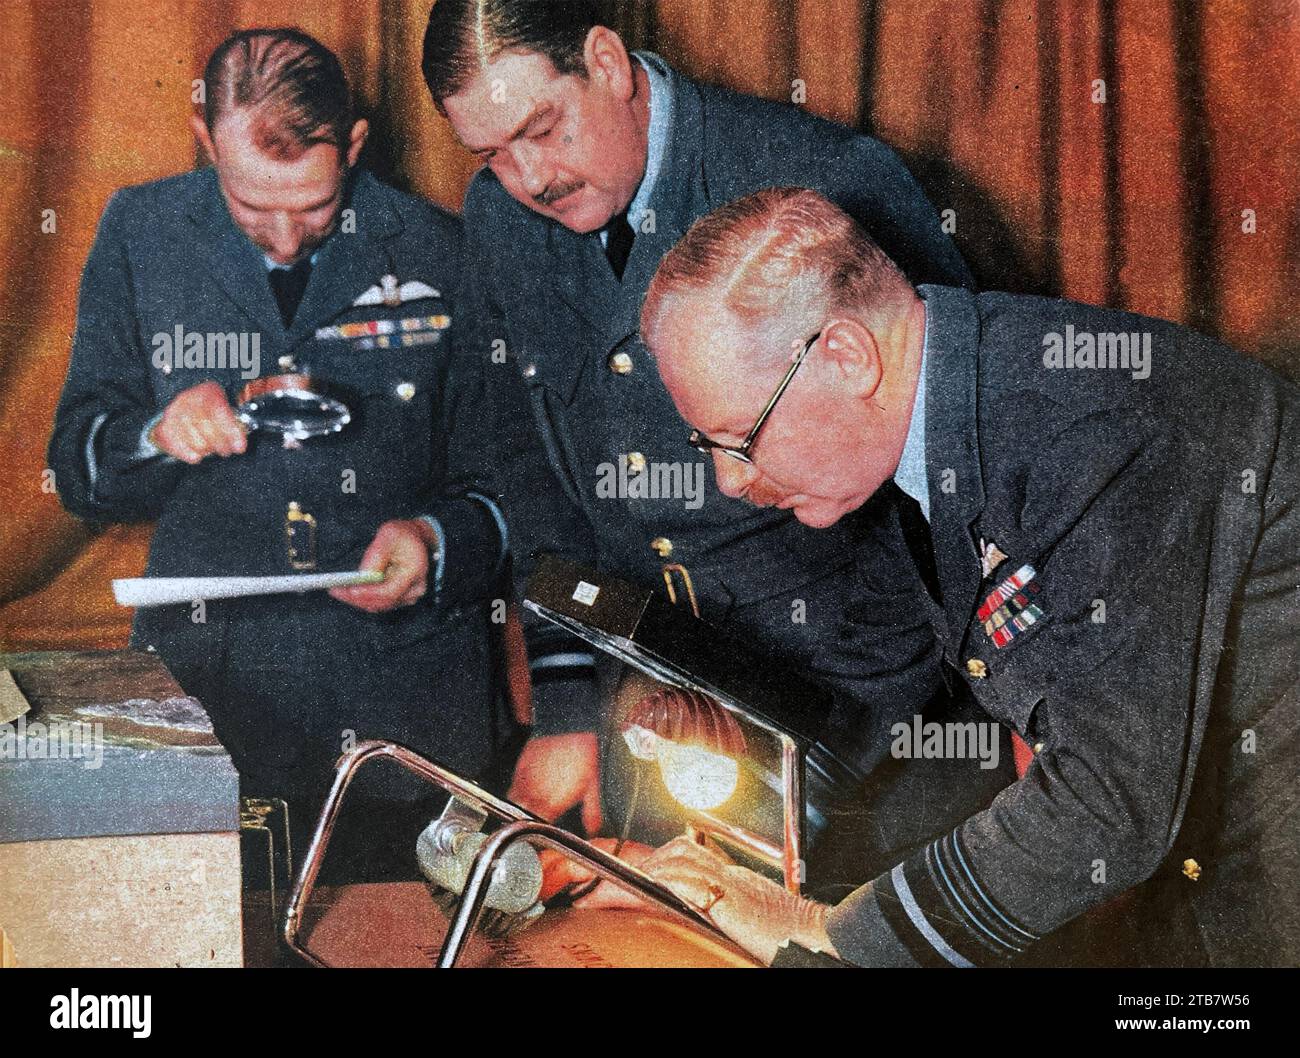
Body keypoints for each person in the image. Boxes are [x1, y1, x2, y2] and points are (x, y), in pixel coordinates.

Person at [628, 186, 1300, 967]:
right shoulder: (937, 417)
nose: (728, 482)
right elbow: (879, 665)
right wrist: (734, 846)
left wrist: (830, 936)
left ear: (847, 356)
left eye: (737, 438)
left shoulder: (1093, 436)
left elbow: (1105, 808)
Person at [421, 0, 980, 848]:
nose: (530, 177)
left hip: (884, 724)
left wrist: (838, 742)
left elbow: (957, 471)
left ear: (606, 62)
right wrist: (569, 701)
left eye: (543, 129)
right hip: (659, 713)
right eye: (492, 153)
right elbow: (526, 465)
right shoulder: (500, 221)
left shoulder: (822, 174)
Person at [48, 29, 511, 876]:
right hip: (211, 703)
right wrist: (157, 435)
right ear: (204, 142)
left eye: (315, 208)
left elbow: (511, 485)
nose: (287, 240)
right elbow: (76, 468)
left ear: (357, 145)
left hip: (404, 723)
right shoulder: (139, 232)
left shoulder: (446, 250)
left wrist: (438, 545)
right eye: (253, 208)